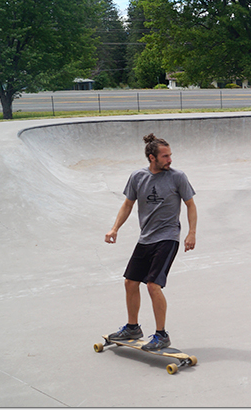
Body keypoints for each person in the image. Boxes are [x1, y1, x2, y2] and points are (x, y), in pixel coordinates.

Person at [105, 133, 197, 351]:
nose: (170, 160)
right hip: (145, 238)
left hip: (168, 237)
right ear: (151, 157)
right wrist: (114, 228)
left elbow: (190, 205)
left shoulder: (178, 177)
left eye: (170, 155)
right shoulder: (138, 177)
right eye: (165, 156)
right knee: (130, 282)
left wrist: (191, 232)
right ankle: (132, 327)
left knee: (154, 285)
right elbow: (127, 205)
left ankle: (161, 334)